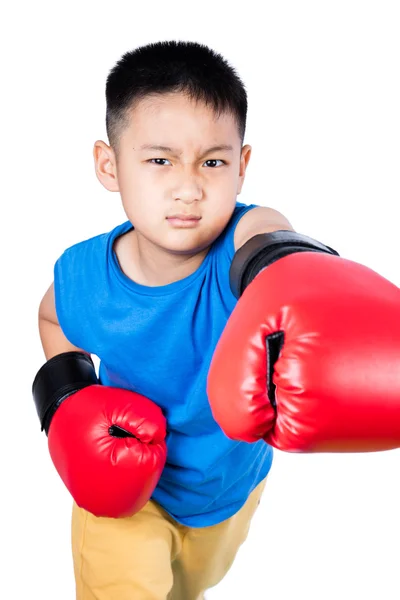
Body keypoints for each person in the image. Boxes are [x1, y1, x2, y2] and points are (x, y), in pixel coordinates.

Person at [33, 39, 400, 600]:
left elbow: (271, 240)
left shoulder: (241, 248)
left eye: (213, 161)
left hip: (228, 491)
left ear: (242, 166)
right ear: (110, 165)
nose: (188, 187)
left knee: (188, 589)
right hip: (121, 498)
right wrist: (68, 400)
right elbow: (51, 318)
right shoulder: (85, 278)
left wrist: (293, 266)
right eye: (159, 160)